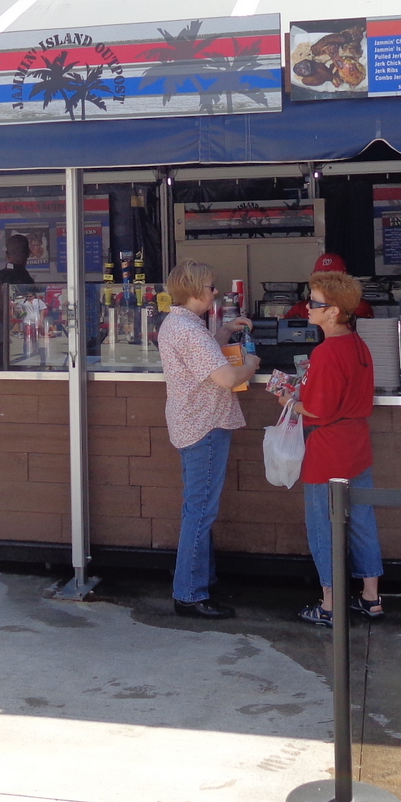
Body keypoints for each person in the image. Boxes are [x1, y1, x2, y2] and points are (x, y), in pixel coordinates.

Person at [277, 270, 385, 625]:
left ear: (334, 311)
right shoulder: (360, 345)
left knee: (322, 526)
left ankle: (330, 604)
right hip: (358, 445)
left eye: (315, 303)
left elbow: (318, 410)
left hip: (327, 450)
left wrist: (289, 402)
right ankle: (371, 597)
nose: (308, 307)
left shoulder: (325, 352)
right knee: (362, 522)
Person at [158, 258, 258, 619]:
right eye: (212, 287)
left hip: (190, 424)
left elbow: (204, 357)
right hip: (206, 426)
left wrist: (226, 330)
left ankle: (200, 578)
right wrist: (251, 363)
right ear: (197, 290)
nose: (216, 292)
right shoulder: (190, 330)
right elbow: (227, 379)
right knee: (200, 511)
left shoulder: (180, 323)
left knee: (197, 507)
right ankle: (189, 593)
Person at [283, 253, 375, 321]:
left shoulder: (358, 306)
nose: (325, 285)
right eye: (320, 280)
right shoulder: (302, 308)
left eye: (331, 280)